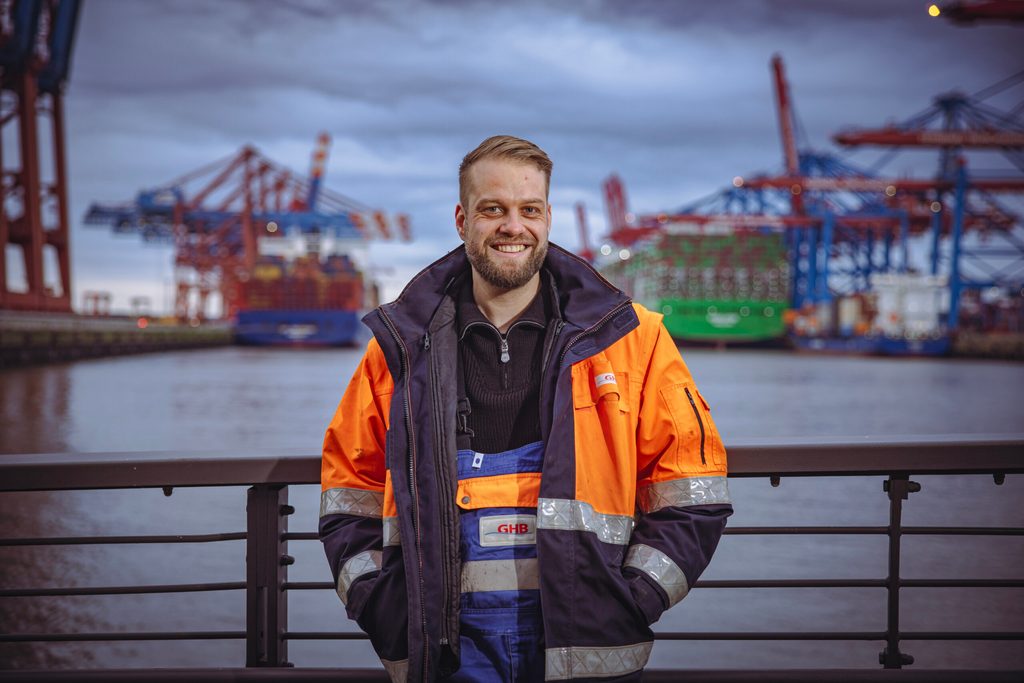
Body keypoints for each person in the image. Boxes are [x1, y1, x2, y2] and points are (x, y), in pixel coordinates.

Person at [320, 135, 733, 682]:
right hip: (443, 656)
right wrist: (382, 606)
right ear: (462, 220)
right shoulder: (399, 348)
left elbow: (694, 493)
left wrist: (635, 598)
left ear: (548, 219)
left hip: (590, 647)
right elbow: (348, 493)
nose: (513, 227)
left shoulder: (633, 339)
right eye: (493, 210)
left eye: (529, 210)